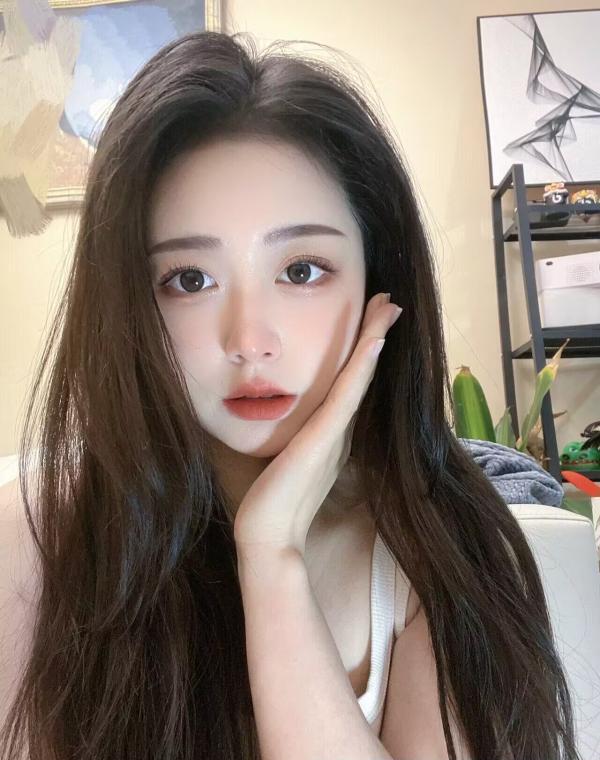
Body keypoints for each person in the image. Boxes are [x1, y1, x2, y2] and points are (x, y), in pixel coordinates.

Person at [0, 30, 581, 760]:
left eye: (301, 270)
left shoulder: (443, 549)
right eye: (189, 280)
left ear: (378, 278)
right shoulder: (36, 534)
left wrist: (272, 556)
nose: (250, 340)